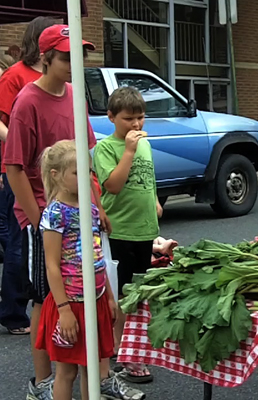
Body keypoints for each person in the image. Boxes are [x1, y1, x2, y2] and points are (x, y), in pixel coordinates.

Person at [3, 24, 129, 400]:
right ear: (45, 59)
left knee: (94, 284)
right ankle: (43, 383)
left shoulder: (75, 95)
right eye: (66, 56)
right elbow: (14, 167)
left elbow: (86, 160)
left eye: (80, 54)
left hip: (82, 211)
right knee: (48, 298)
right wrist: (39, 218)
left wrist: (98, 206)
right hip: (46, 215)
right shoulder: (27, 101)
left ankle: (100, 376)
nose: (76, 63)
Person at [36, 140, 145, 400]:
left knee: (92, 369)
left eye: (88, 171)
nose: (85, 178)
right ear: (56, 176)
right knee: (67, 371)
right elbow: (51, 265)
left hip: (95, 299)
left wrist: (108, 294)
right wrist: (63, 310)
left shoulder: (92, 210)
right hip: (70, 304)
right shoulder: (55, 214)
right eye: (77, 173)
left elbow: (98, 257)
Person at [93, 86, 162, 384]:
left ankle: (133, 348)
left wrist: (155, 200)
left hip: (144, 228)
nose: (136, 125)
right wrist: (130, 150)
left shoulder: (145, 145)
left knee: (139, 294)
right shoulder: (106, 148)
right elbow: (113, 185)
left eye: (141, 118)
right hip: (120, 230)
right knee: (121, 296)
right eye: (128, 119)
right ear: (111, 117)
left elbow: (148, 176)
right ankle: (121, 350)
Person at [0, 16, 55, 337]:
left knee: (45, 241)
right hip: (19, 170)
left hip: (51, 176)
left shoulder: (59, 81)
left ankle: (45, 299)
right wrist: (23, 146)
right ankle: (13, 312)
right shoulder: (15, 76)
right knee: (19, 243)